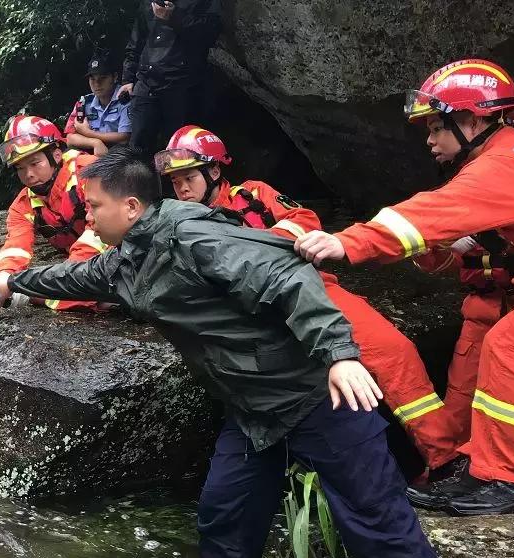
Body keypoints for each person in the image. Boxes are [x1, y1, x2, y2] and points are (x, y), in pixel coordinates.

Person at [0, 148, 448, 558]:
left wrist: (340, 354)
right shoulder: (128, 258)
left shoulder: (195, 234)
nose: (87, 216)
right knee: (225, 515)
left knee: (376, 523)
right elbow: (74, 276)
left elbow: (288, 275)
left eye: (94, 205)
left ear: (129, 207)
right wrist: (14, 280)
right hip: (250, 411)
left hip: (314, 398)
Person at [154, 124, 460, 480]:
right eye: (175, 182)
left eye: (188, 177)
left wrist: (263, 248)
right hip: (249, 315)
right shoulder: (176, 219)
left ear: (215, 170)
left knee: (394, 352)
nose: (182, 188)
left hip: (310, 291)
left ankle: (445, 460)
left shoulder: (251, 195)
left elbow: (304, 219)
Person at [293, 58, 514, 516]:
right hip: (498, 297)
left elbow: (428, 214)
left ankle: (504, 480)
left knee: (507, 345)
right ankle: (465, 465)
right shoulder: (496, 164)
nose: (429, 140)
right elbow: (455, 237)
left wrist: (346, 241)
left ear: (474, 118)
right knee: (472, 367)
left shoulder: (504, 164)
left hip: (505, 305)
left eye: (437, 126)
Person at [0, 114, 108, 311]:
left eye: (35, 163)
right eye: (20, 168)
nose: (28, 174)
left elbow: (101, 232)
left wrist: (65, 277)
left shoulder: (90, 172)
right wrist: (4, 276)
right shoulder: (23, 204)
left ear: (56, 155)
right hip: (80, 265)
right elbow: (16, 245)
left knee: (84, 296)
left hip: (116, 252)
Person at [119, 0, 222, 157]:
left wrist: (174, 17)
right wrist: (128, 79)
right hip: (146, 82)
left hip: (183, 87)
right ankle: (137, 181)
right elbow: (136, 41)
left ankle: (176, 181)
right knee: (137, 149)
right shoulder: (148, 3)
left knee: (180, 151)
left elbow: (209, 34)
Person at [64, 53, 132, 155]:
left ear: (115, 77)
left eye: (103, 78)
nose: (97, 83)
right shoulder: (83, 103)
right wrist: (95, 142)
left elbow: (124, 138)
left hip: (121, 157)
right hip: (93, 155)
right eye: (92, 79)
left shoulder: (125, 99)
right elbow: (70, 138)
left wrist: (87, 133)